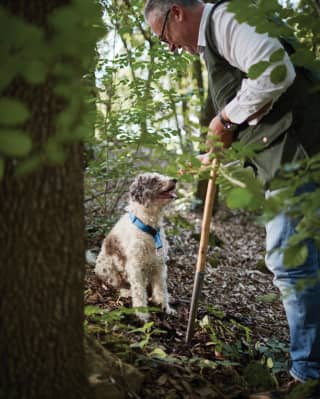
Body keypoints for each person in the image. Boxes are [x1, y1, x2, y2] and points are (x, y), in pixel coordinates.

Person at [144, 0, 320, 396]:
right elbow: (256, 101)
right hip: (298, 156)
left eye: (164, 37)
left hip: (301, 158)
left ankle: (310, 378)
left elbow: (275, 71)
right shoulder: (216, 42)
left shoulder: (226, 20)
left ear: (177, 13)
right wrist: (218, 146)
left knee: (291, 264)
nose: (169, 47)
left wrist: (225, 119)